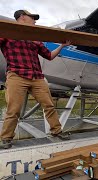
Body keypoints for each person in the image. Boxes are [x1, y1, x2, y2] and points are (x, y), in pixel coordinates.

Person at [0, 10, 71, 149]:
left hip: (37, 77)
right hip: (16, 75)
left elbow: (49, 56)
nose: (35, 21)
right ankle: (6, 138)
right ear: (22, 17)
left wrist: (62, 46)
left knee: (49, 105)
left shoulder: (35, 37)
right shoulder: (7, 33)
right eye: (32, 18)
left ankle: (57, 131)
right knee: (13, 109)